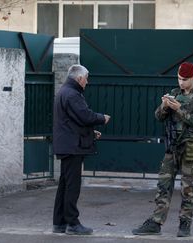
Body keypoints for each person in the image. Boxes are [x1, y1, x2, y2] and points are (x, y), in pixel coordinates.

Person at [132, 62, 193, 237]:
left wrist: (179, 109)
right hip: (172, 148)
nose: (181, 83)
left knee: (187, 189)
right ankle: (155, 223)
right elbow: (158, 116)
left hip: (190, 149)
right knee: (163, 185)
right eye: (179, 79)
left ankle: (185, 225)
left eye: (184, 79)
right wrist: (164, 106)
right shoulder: (174, 93)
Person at [52, 64, 111, 235]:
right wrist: (102, 118)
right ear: (79, 78)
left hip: (68, 145)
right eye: (86, 78)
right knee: (72, 186)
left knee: (64, 184)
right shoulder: (72, 94)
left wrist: (91, 133)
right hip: (73, 147)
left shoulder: (65, 92)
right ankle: (72, 223)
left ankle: (59, 223)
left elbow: (72, 122)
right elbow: (84, 116)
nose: (87, 82)